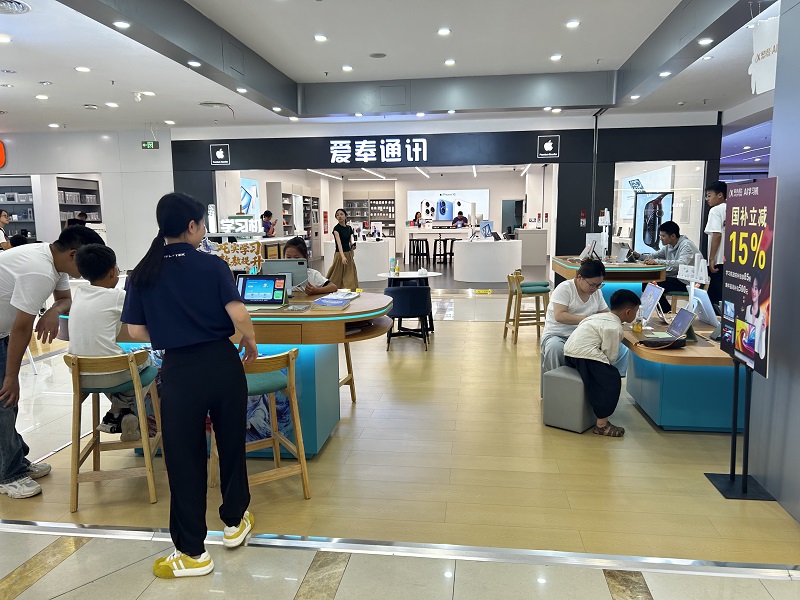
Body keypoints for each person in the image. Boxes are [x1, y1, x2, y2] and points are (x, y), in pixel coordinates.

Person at [122, 192, 257, 579]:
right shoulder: (213, 265)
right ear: (193, 226)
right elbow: (238, 313)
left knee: (184, 457)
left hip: (180, 371)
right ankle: (235, 522)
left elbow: (136, 331)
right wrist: (249, 340)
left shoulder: (142, 272)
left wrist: (173, 331)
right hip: (223, 363)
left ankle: (193, 552)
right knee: (231, 443)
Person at [0, 225, 105, 499]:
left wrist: (53, 311)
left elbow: (65, 300)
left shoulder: (55, 263)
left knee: (9, 404)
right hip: (7, 332)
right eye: (88, 260)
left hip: (2, 332)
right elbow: (23, 327)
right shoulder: (39, 270)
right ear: (73, 254)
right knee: (5, 400)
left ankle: (15, 460)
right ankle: (9, 475)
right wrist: (12, 377)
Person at [69, 244, 152, 441]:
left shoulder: (79, 293)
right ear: (113, 271)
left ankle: (118, 415)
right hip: (111, 374)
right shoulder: (118, 296)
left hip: (79, 374)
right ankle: (119, 409)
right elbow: (146, 316)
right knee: (149, 361)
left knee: (117, 363)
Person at [564, 289, 641, 437]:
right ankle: (601, 425)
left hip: (569, 352)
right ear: (628, 312)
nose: (636, 315)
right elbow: (610, 356)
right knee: (611, 379)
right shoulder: (614, 327)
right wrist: (607, 370)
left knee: (603, 374)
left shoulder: (598, 317)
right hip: (585, 356)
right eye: (636, 311)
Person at [540, 259, 630, 379]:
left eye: (599, 285)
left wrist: (617, 319)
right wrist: (588, 319)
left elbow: (606, 312)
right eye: (592, 284)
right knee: (555, 349)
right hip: (558, 335)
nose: (595, 288)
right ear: (580, 278)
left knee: (621, 348)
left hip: (585, 336)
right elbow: (560, 316)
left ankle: (611, 380)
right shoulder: (565, 288)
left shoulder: (596, 293)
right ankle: (556, 382)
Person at [631, 221, 699, 312]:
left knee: (651, 284)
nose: (660, 239)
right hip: (675, 277)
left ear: (673, 236)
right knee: (649, 283)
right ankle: (665, 310)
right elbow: (654, 256)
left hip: (686, 281)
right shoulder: (669, 246)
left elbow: (681, 263)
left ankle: (666, 311)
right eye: (660, 236)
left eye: (663, 236)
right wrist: (639, 256)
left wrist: (657, 262)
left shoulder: (686, 246)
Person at [704, 181, 727, 312]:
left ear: (720, 195)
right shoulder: (732, 208)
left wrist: (711, 258)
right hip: (729, 259)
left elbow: (717, 234)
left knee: (714, 297)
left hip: (718, 259)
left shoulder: (715, 210)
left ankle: (714, 321)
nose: (707, 199)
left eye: (709, 195)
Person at [326, 208, 358, 289]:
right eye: (337, 215)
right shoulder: (336, 229)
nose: (339, 216)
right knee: (336, 274)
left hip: (348, 254)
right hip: (340, 254)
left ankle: (352, 289)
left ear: (346, 216)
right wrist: (343, 256)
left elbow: (350, 241)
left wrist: (352, 246)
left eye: (341, 214)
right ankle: (330, 288)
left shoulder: (349, 228)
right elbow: (339, 244)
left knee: (350, 273)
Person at [745, 274, 767, 359]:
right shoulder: (748, 310)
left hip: (756, 359)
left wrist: (763, 331)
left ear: (760, 291)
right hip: (746, 355)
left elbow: (762, 354)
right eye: (752, 287)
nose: (753, 291)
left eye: (756, 288)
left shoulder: (763, 315)